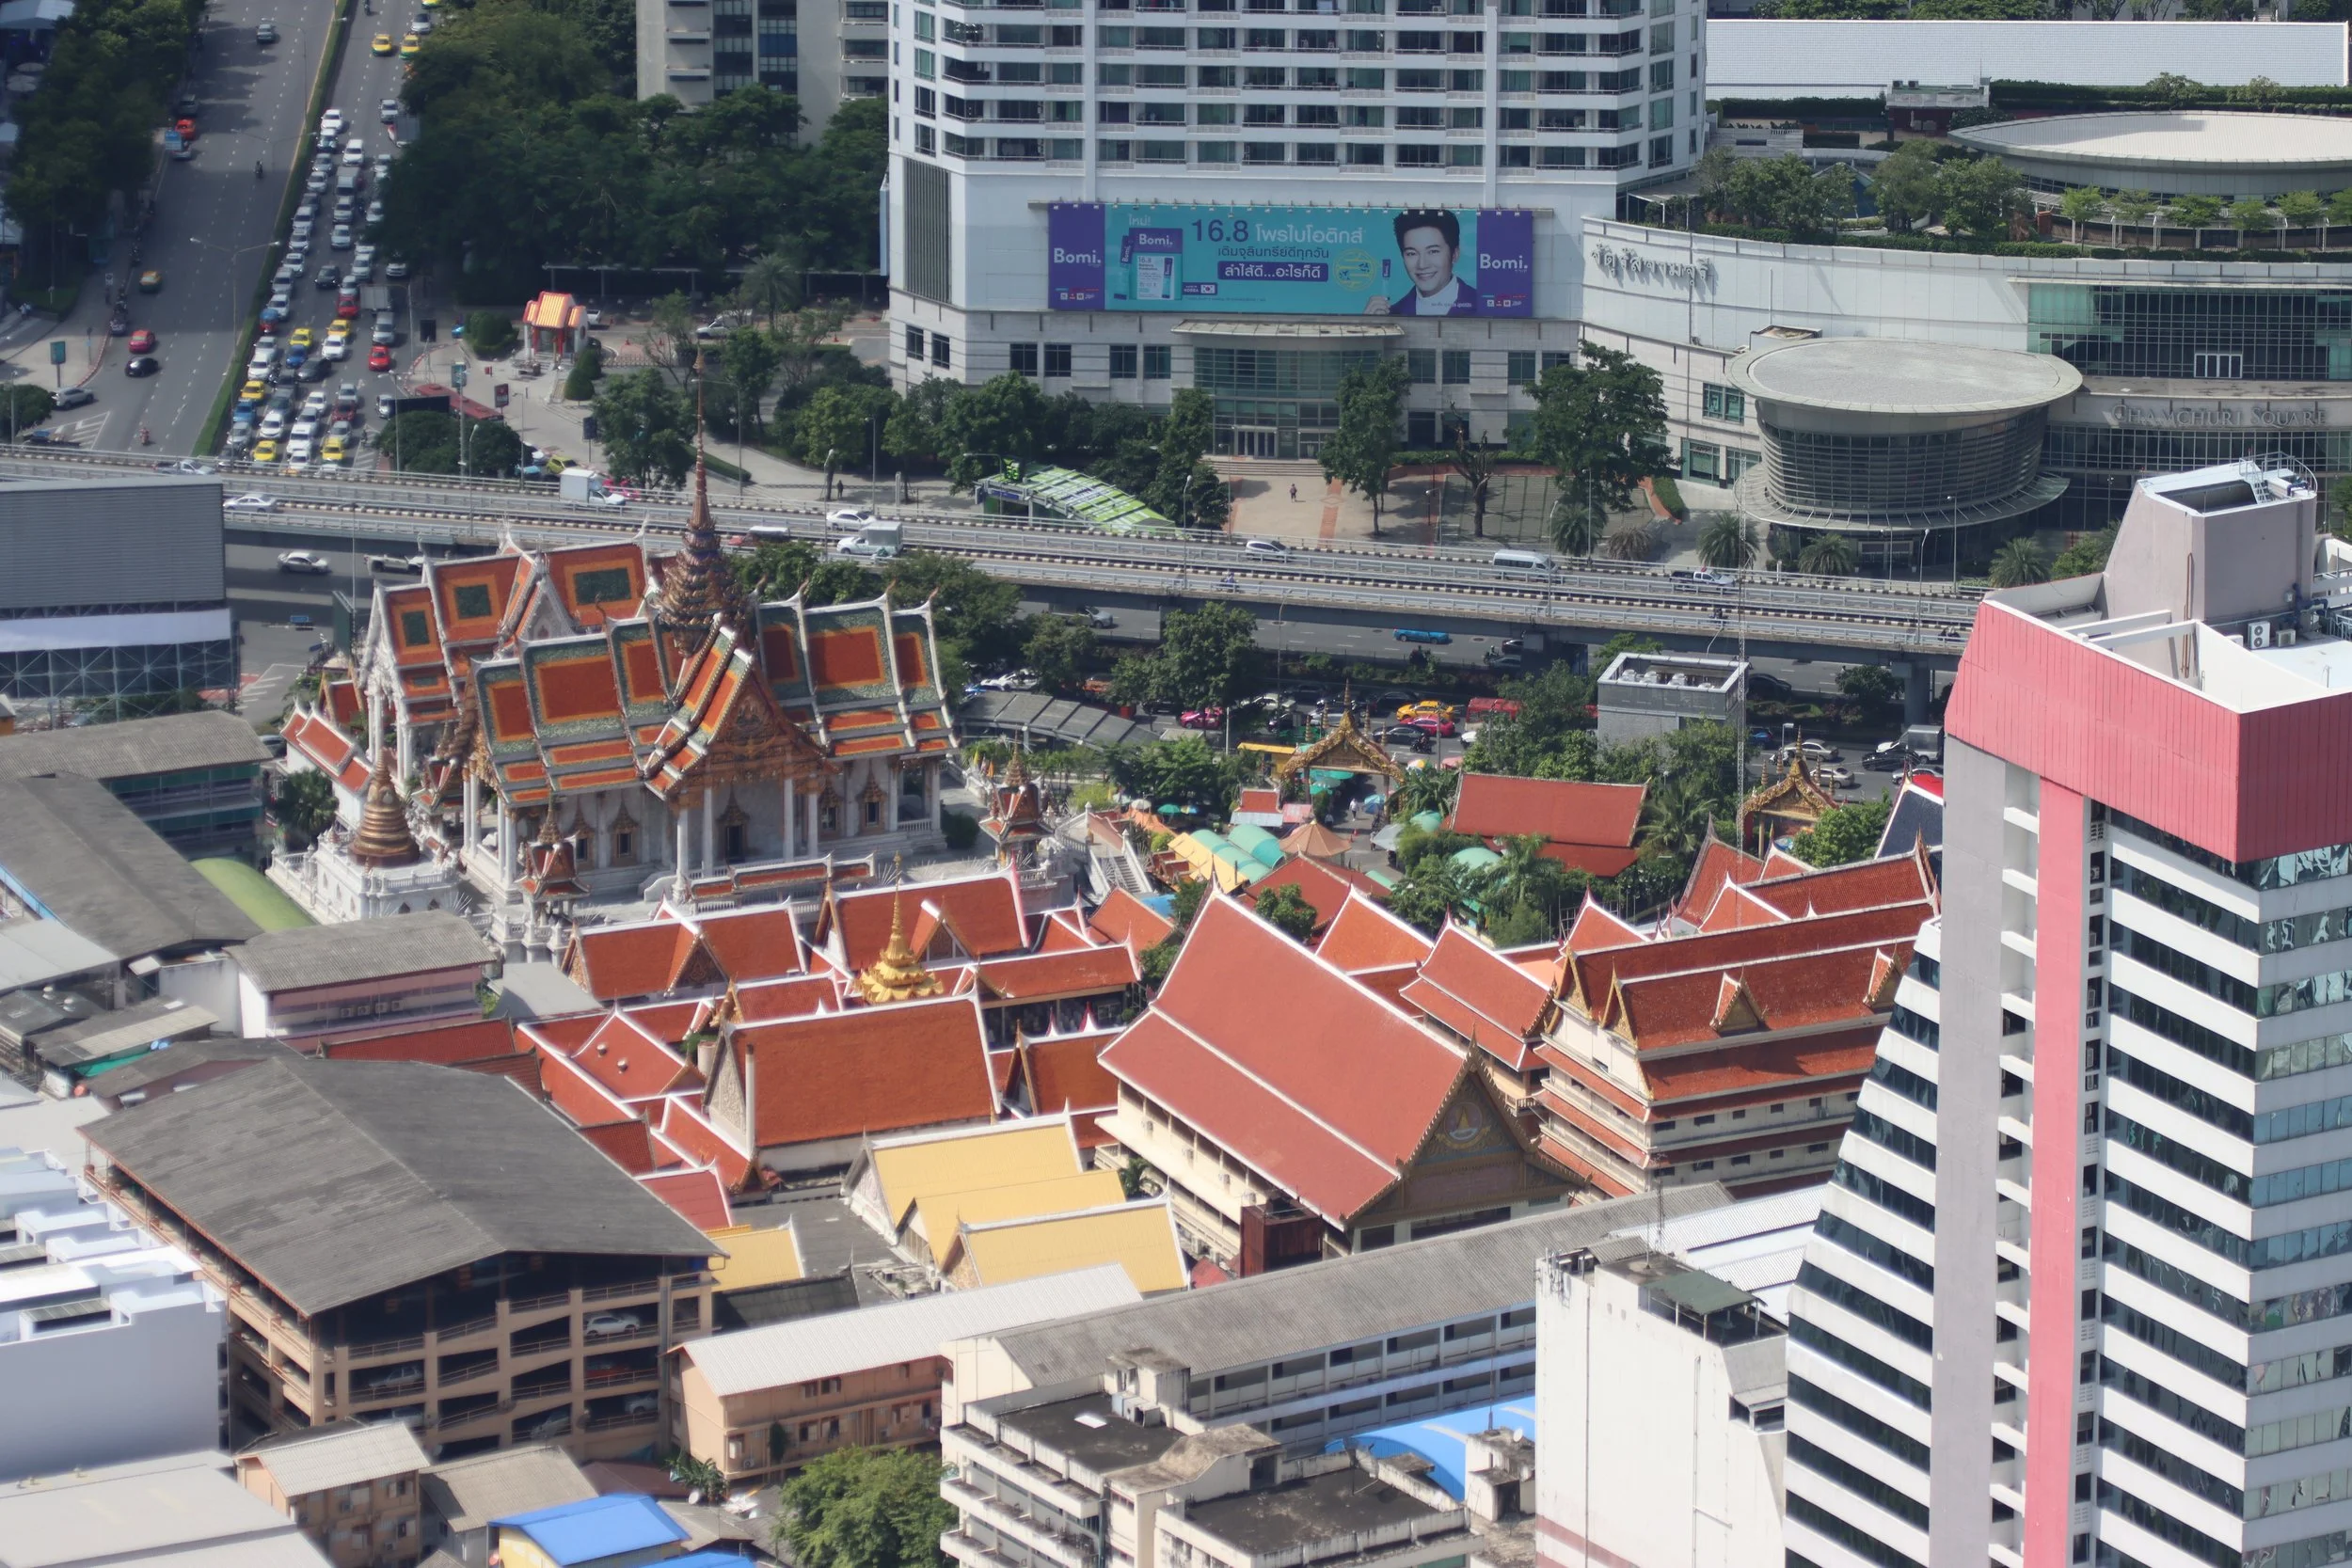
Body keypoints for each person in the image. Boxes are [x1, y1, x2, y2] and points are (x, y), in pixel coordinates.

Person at [1364, 211, 1479, 317]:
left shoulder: (1482, 305)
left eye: (1433, 251)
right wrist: (1368, 326)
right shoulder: (1393, 314)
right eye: (1411, 253)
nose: (1422, 265)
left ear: (1455, 254)